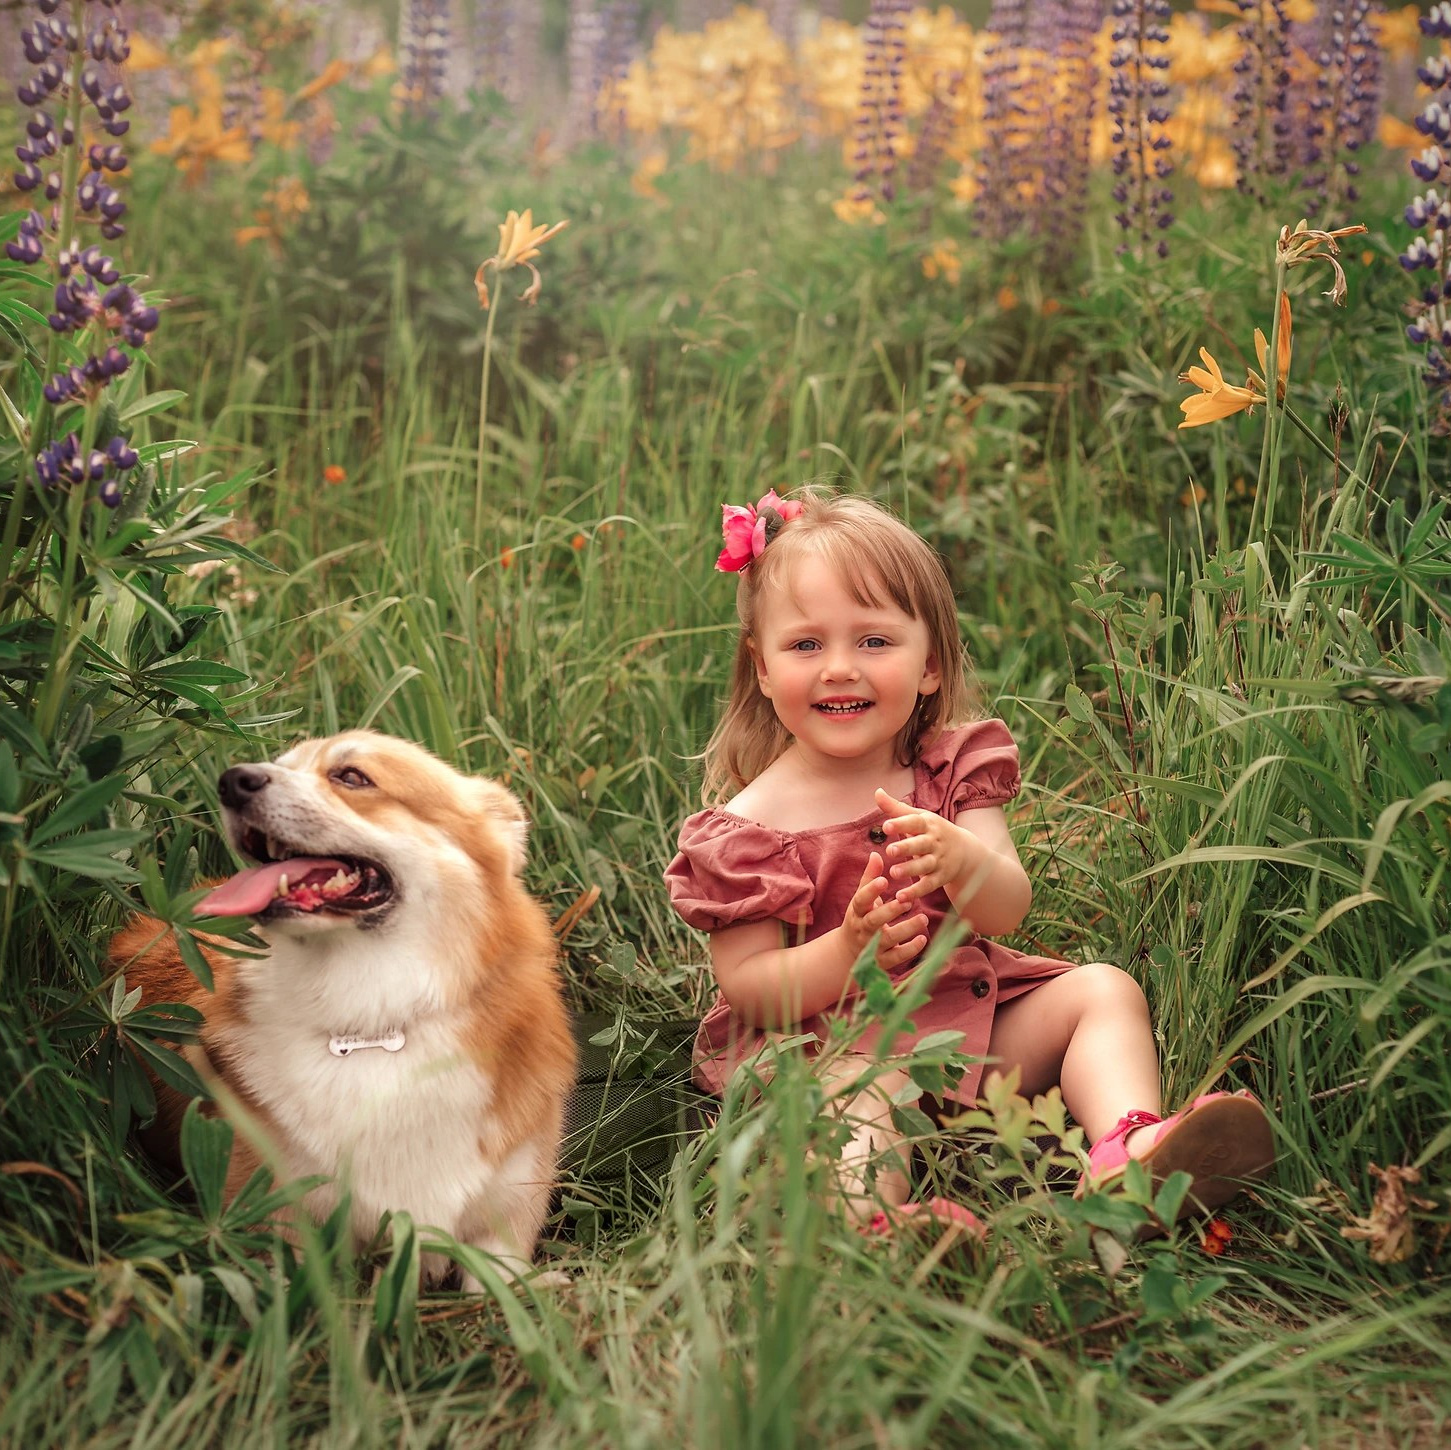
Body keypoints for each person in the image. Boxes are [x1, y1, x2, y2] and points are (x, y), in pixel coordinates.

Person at [664, 488, 1275, 1234]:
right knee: (864, 1088)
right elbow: (753, 990)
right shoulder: (746, 830)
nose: (838, 669)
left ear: (929, 664)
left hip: (970, 1037)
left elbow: (1007, 908)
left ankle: (1128, 1150)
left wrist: (963, 860)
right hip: (830, 1052)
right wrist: (848, 949)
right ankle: (873, 1227)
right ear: (761, 670)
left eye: (873, 641)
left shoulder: (947, 771)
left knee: (1102, 991)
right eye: (805, 646)